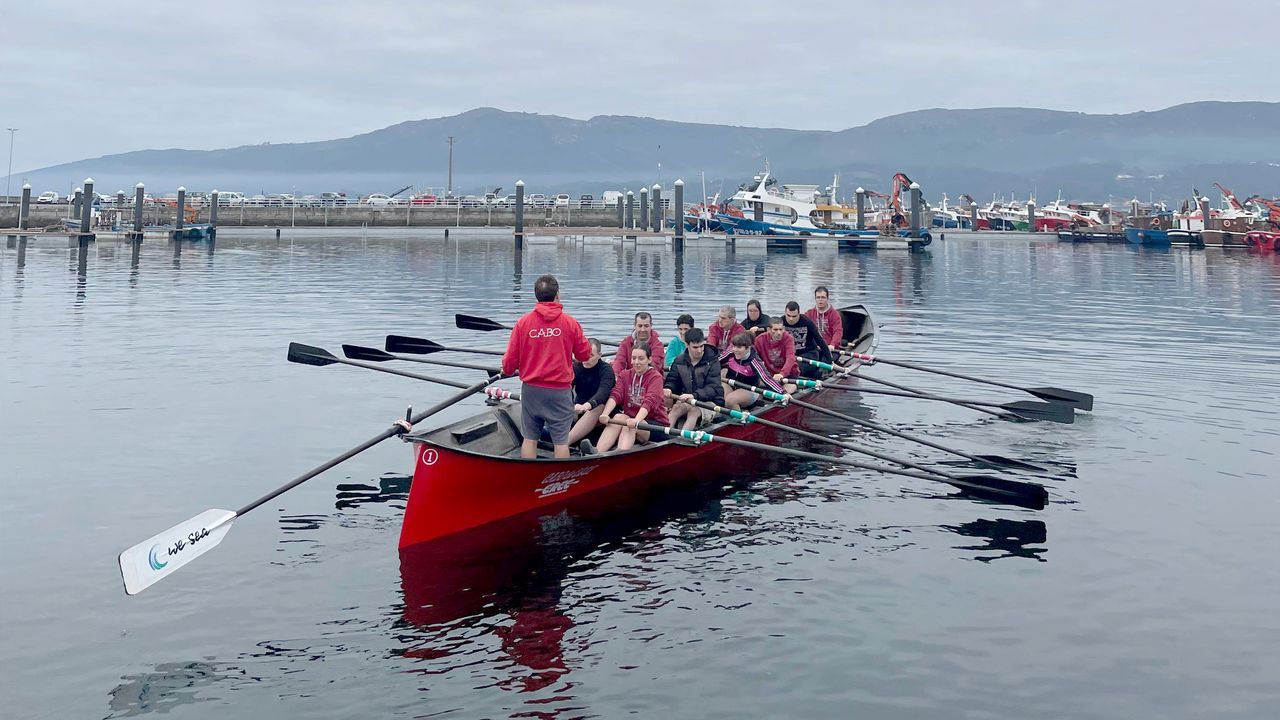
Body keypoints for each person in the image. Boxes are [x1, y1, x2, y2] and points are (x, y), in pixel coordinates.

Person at [500, 274, 592, 459]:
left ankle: (528, 478)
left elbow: (509, 363)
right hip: (559, 391)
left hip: (532, 390)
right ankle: (559, 479)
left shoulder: (523, 323)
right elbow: (584, 355)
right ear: (557, 295)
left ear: (536, 296)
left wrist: (506, 371)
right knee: (561, 441)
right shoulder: (570, 323)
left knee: (530, 438)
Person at [597, 345, 667, 452]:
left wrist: (636, 421)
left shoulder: (655, 377)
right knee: (618, 417)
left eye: (641, 358)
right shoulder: (624, 375)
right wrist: (605, 414)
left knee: (629, 425)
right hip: (631, 420)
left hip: (655, 424)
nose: (636, 362)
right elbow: (616, 395)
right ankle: (598, 452)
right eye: (634, 358)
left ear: (649, 359)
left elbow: (649, 402)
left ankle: (619, 454)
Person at [663, 327, 724, 431]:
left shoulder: (712, 361)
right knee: (676, 408)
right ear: (687, 345)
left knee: (694, 411)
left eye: (701, 346)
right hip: (689, 400)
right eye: (695, 347)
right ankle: (664, 438)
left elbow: (713, 388)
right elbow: (672, 380)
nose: (700, 350)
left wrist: (694, 395)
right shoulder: (679, 360)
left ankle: (684, 440)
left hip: (712, 402)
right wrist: (668, 388)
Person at [567, 338, 615, 449]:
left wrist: (588, 405)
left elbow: (603, 392)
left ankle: (564, 443)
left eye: (591, 355)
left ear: (599, 355)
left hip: (602, 412)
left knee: (597, 408)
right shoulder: (576, 367)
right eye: (584, 355)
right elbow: (566, 387)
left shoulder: (606, 370)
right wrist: (572, 404)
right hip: (580, 409)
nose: (586, 359)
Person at [719, 332, 786, 410]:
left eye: (739, 347)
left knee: (729, 401)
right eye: (734, 346)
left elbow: (766, 378)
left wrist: (783, 393)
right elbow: (715, 362)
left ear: (748, 348)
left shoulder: (754, 361)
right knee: (719, 396)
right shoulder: (731, 353)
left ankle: (740, 419)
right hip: (731, 384)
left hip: (749, 389)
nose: (735, 350)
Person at [781, 300, 829, 379]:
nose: (791, 319)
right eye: (788, 315)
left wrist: (828, 361)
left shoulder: (807, 322)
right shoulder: (781, 322)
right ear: (785, 313)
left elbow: (820, 341)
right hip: (790, 355)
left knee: (795, 368)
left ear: (799, 314)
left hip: (808, 353)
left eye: (794, 316)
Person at [753, 316, 798, 392]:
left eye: (781, 329)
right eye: (775, 330)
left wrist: (782, 374)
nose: (779, 333)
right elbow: (754, 359)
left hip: (788, 375)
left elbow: (791, 358)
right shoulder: (759, 340)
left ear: (784, 328)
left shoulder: (788, 338)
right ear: (769, 330)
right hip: (770, 376)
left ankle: (782, 399)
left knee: (790, 389)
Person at [804, 286, 843, 352]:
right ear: (815, 299)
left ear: (827, 298)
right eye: (818, 297)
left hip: (830, 348)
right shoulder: (809, 313)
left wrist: (832, 344)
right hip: (814, 348)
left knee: (825, 360)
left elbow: (838, 332)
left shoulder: (834, 314)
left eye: (823, 297)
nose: (820, 300)